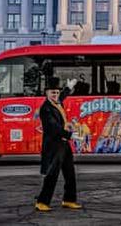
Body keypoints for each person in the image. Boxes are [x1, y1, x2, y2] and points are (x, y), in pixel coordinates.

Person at [35, 77, 82, 212]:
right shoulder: (46, 108)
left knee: (70, 173)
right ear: (46, 93)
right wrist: (70, 135)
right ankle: (42, 202)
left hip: (63, 143)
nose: (55, 95)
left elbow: (62, 96)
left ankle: (69, 200)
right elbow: (53, 127)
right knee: (52, 174)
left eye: (56, 92)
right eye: (52, 93)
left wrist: (68, 88)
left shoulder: (57, 102)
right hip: (54, 145)